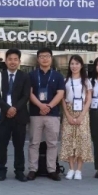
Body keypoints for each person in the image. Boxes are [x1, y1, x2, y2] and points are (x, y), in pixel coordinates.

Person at [0, 48, 31, 182]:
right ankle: (1, 171)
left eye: (15, 59)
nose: (13, 62)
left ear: (19, 61)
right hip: (3, 117)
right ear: (6, 61)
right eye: (10, 59)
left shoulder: (25, 76)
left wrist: (14, 109)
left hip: (19, 116)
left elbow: (26, 96)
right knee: (1, 146)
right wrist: (7, 109)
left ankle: (19, 171)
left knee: (19, 146)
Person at [27, 48, 65, 181]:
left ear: (51, 58)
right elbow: (29, 93)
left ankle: (52, 170)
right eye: (42, 56)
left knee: (52, 143)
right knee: (34, 143)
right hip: (35, 113)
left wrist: (48, 106)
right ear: (38, 59)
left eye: (47, 56)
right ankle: (33, 169)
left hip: (52, 114)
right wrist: (40, 106)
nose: (44, 59)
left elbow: (60, 93)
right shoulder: (31, 75)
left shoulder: (58, 76)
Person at [60, 55, 93, 180]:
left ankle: (79, 170)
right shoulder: (65, 81)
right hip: (69, 111)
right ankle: (71, 168)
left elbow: (89, 99)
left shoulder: (86, 81)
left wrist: (82, 115)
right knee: (68, 140)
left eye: (77, 64)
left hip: (82, 112)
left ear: (81, 65)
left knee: (81, 140)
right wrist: (67, 115)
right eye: (72, 64)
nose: (74, 66)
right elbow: (62, 99)